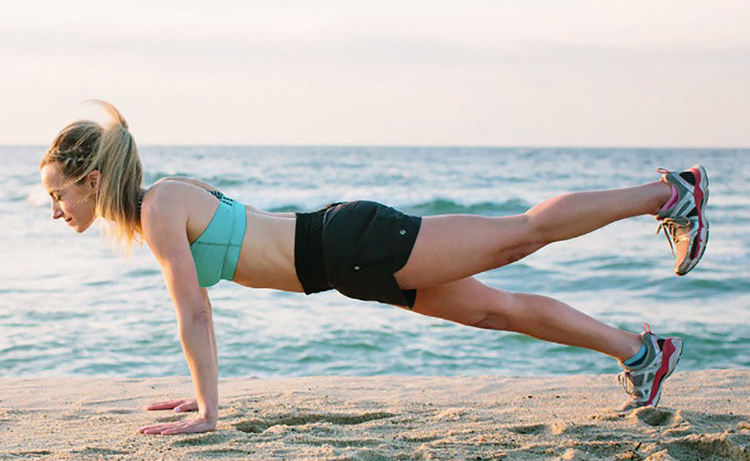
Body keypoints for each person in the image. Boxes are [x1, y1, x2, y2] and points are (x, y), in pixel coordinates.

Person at [39, 102, 709, 436]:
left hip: (349, 239)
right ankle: (642, 353)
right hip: (349, 267)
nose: (56, 210)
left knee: (517, 236)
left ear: (91, 179)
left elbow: (194, 310)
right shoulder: (159, 209)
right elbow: (199, 313)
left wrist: (209, 409)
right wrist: (201, 393)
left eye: (57, 195)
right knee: (493, 310)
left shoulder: (160, 206)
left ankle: (670, 194)